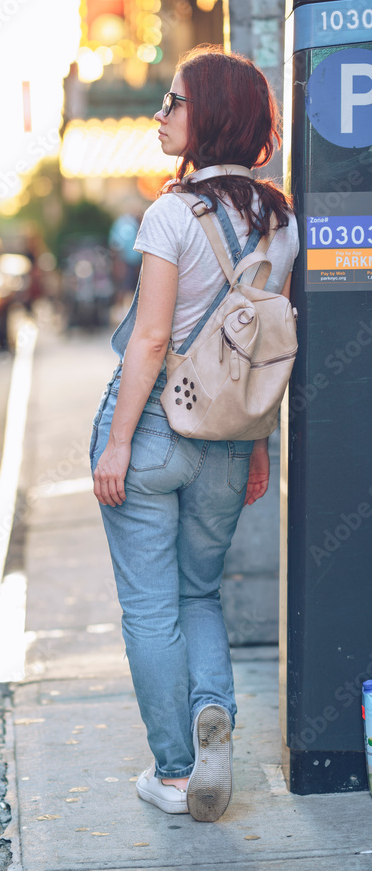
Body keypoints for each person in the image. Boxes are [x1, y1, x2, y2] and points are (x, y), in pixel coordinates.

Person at [89, 46, 299, 823]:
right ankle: (212, 715)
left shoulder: (169, 213)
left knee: (150, 608)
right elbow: (255, 347)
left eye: (172, 102)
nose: (159, 115)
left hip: (150, 427)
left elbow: (149, 342)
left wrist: (116, 442)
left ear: (208, 114)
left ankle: (176, 773)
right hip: (224, 431)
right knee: (200, 591)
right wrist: (255, 445)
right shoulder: (283, 225)